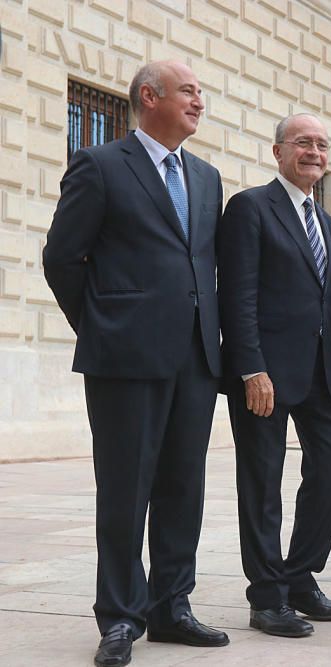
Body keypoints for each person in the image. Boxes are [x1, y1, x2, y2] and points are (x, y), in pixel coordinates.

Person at [43, 61, 229, 666]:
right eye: (189, 92)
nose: (199, 101)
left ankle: (171, 606)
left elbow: (206, 264)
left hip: (196, 357)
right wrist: (104, 325)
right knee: (126, 490)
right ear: (149, 98)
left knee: (184, 486)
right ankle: (120, 616)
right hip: (125, 359)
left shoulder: (206, 177)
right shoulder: (99, 165)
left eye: (201, 93)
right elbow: (63, 258)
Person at [217, 114, 331, 638]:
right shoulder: (250, 207)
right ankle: (267, 597)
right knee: (262, 484)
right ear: (278, 152)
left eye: (322, 144)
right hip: (264, 375)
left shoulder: (323, 219)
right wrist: (251, 367)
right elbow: (238, 294)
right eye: (303, 143)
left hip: (320, 372)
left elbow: (329, 300)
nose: (314, 152)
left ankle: (299, 577)